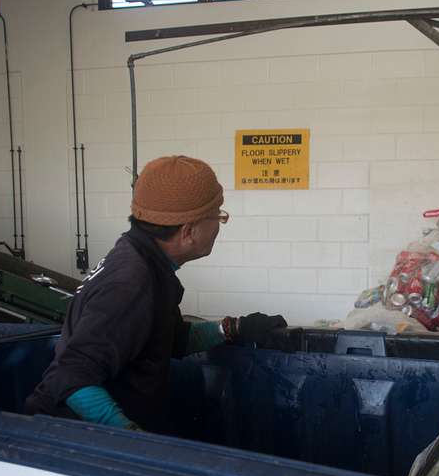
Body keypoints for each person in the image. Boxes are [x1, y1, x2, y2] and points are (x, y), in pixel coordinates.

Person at [25, 155, 286, 431]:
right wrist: (137, 442)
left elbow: (167, 340)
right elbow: (71, 377)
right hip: (72, 444)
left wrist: (232, 328)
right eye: (218, 216)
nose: (219, 225)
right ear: (188, 232)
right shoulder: (131, 282)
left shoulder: (144, 260)